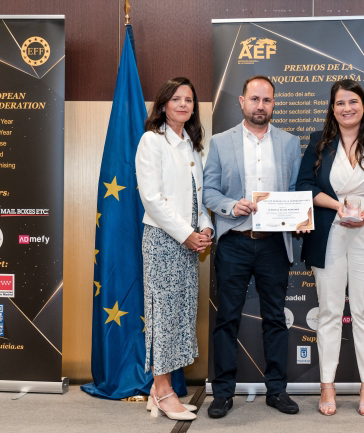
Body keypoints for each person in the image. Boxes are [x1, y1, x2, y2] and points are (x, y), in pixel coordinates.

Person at [296, 79, 364, 416]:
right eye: (340, 103)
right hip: (329, 233)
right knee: (328, 311)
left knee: (363, 311)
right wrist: (336, 206)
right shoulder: (318, 142)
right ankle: (326, 385)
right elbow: (304, 186)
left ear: (363, 105)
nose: (347, 108)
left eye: (353, 102)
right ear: (332, 108)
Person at [203, 75, 302, 418]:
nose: (261, 106)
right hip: (235, 243)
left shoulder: (290, 143)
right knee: (227, 319)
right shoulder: (220, 142)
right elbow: (209, 192)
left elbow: (294, 191)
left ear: (274, 104)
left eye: (267, 100)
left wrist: (298, 215)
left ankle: (277, 391)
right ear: (241, 102)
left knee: (275, 319)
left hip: (275, 245)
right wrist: (232, 206)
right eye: (255, 99)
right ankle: (223, 394)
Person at [135, 77, 213, 421]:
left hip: (188, 241)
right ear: (164, 103)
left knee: (180, 314)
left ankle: (160, 389)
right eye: (177, 98)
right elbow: (152, 198)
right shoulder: (152, 141)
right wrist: (186, 234)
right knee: (163, 315)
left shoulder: (193, 145)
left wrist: (206, 225)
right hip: (164, 240)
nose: (183, 104)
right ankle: (163, 391)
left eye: (189, 100)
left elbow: (199, 197)